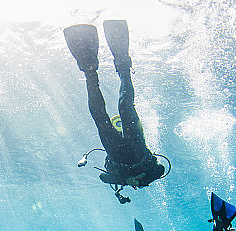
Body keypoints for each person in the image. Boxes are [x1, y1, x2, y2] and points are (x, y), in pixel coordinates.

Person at [64, 20, 167, 204]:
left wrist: (125, 180)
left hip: (116, 152)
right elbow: (160, 170)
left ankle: (90, 70)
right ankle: (122, 65)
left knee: (101, 115)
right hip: (136, 149)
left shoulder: (121, 179)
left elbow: (104, 178)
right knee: (125, 106)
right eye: (138, 186)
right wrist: (141, 178)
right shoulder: (148, 174)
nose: (135, 185)